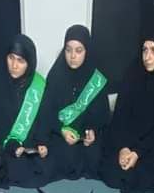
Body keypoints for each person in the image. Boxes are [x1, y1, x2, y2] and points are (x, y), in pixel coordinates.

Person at [100, 29, 154, 193]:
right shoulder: (132, 74)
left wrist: (137, 153)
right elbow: (120, 117)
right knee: (108, 165)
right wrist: (124, 148)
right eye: (145, 50)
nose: (147, 57)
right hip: (129, 140)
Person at [40, 25, 110, 181]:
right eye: (68, 50)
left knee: (96, 158)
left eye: (79, 51)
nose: (72, 56)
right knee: (65, 158)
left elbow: (102, 114)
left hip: (85, 136)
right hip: (61, 133)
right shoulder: (55, 75)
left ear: (87, 51)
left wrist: (91, 131)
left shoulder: (96, 78)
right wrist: (62, 130)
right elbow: (46, 113)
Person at [0, 34, 51, 188]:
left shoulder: (39, 85)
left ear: (30, 63)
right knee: (0, 162)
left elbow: (45, 119)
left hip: (30, 146)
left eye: (20, 61)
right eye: (11, 58)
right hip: (5, 144)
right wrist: (12, 144)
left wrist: (41, 143)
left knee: (48, 161)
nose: (14, 65)